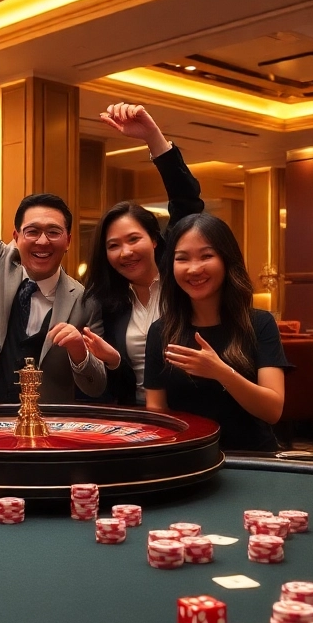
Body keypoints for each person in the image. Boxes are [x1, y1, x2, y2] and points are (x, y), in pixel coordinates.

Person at [0, 113, 107, 403]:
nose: (43, 241)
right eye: (32, 231)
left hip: (46, 429)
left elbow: (96, 384)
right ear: (17, 236)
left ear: (68, 241)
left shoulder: (85, 301)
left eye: (53, 232)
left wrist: (79, 352)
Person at [83, 103, 203, 405]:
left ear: (154, 240)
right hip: (137, 418)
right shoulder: (105, 301)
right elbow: (112, 382)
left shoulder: (183, 279)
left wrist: (153, 137)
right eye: (113, 246)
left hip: (193, 413)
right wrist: (111, 360)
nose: (126, 252)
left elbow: (186, 201)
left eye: (134, 239)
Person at [144, 214, 291, 451]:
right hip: (189, 459)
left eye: (206, 256)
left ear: (226, 260)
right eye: (182, 258)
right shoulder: (161, 331)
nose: (194, 269)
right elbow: (157, 412)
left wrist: (221, 372)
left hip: (253, 459)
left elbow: (272, 410)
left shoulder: (260, 323)